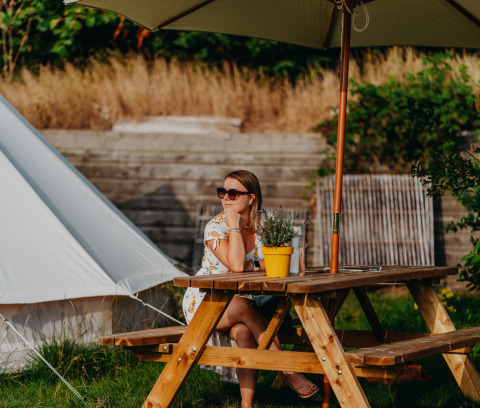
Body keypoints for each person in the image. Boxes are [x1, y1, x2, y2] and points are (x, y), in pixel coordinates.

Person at [182, 170, 318, 408]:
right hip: (206, 300)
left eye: (233, 193)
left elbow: (293, 259)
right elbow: (235, 266)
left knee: (244, 332)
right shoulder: (215, 227)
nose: (226, 198)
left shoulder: (266, 222)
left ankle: (246, 404)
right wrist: (234, 226)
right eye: (222, 192)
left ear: (251, 198)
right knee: (246, 306)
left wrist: (252, 264)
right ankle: (288, 371)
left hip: (241, 299)